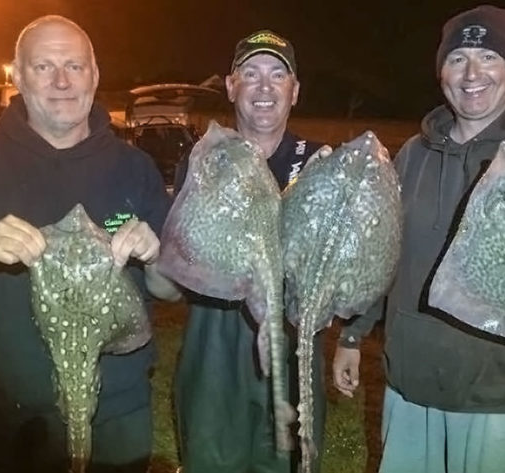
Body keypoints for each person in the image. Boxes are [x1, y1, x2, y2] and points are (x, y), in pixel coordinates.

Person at [332, 5, 505, 473]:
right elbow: (386, 253)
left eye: (488, 56)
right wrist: (353, 333)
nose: (471, 73)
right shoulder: (412, 153)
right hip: (410, 382)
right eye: (458, 57)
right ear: (441, 70)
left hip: (495, 394)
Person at [0, 15, 180, 473]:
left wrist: (156, 257)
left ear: (95, 74)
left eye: (74, 66)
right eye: (43, 67)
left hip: (119, 414)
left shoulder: (136, 167)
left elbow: (170, 291)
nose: (62, 81)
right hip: (14, 420)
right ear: (18, 75)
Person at [173, 30, 328, 473]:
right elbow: (177, 268)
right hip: (214, 347)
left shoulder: (318, 162)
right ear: (230, 85)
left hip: (294, 345)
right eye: (251, 74)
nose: (264, 87)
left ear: (294, 91)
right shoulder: (201, 161)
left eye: (278, 75)